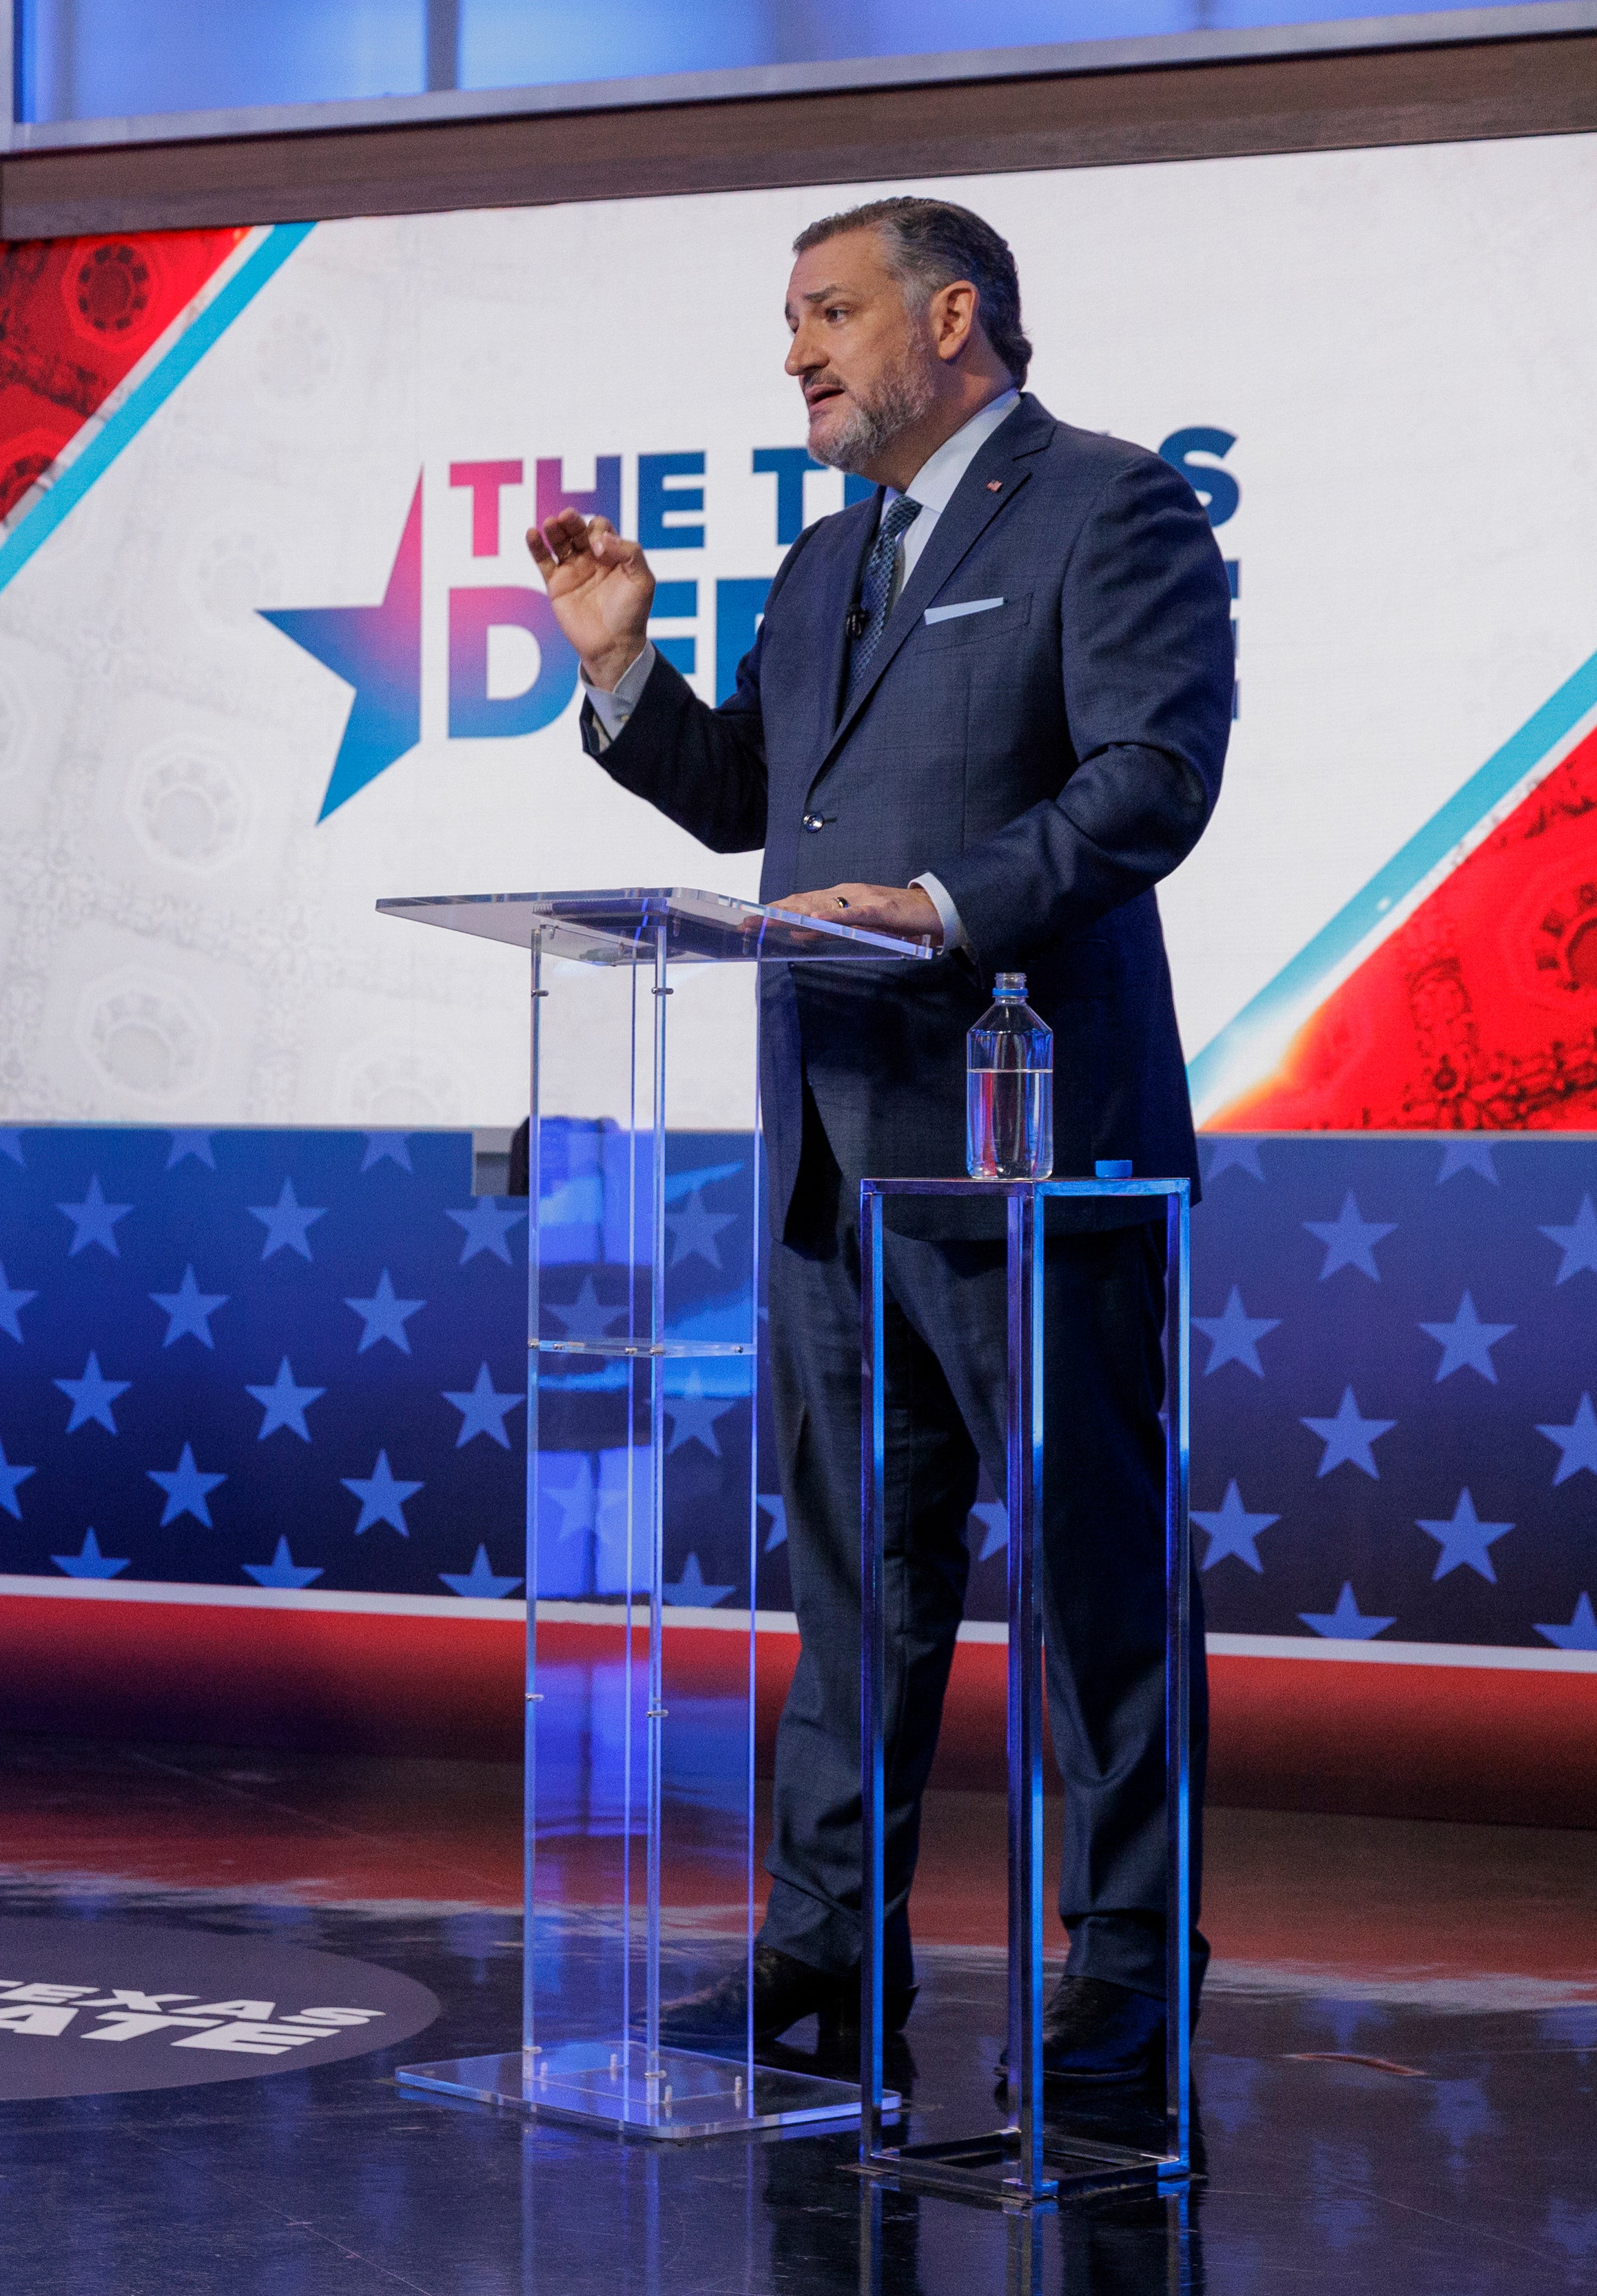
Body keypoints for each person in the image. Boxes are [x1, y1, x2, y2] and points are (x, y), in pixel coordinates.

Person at [527, 198, 1229, 2082]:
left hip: (1027, 1138)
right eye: (785, 320)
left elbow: (1147, 781)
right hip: (830, 1156)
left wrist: (938, 902)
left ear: (952, 317)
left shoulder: (1110, 505)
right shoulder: (820, 560)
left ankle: (1128, 1968)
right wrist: (618, 675)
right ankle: (828, 1957)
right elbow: (749, 795)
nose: (792, 356)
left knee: (1084, 1571)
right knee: (850, 1581)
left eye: (825, 314)